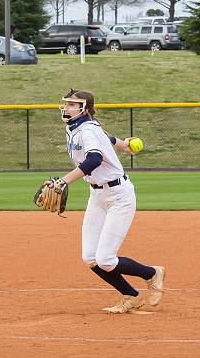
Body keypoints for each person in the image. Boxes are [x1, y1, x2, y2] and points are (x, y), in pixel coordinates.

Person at [48, 88, 165, 314]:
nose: (67, 107)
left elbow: (94, 158)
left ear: (85, 109)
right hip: (97, 196)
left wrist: (63, 181)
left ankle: (152, 273)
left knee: (106, 259)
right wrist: (123, 145)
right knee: (90, 258)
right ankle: (131, 295)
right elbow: (107, 139)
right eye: (66, 103)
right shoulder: (75, 128)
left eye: (73, 104)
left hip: (119, 196)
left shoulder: (88, 129)